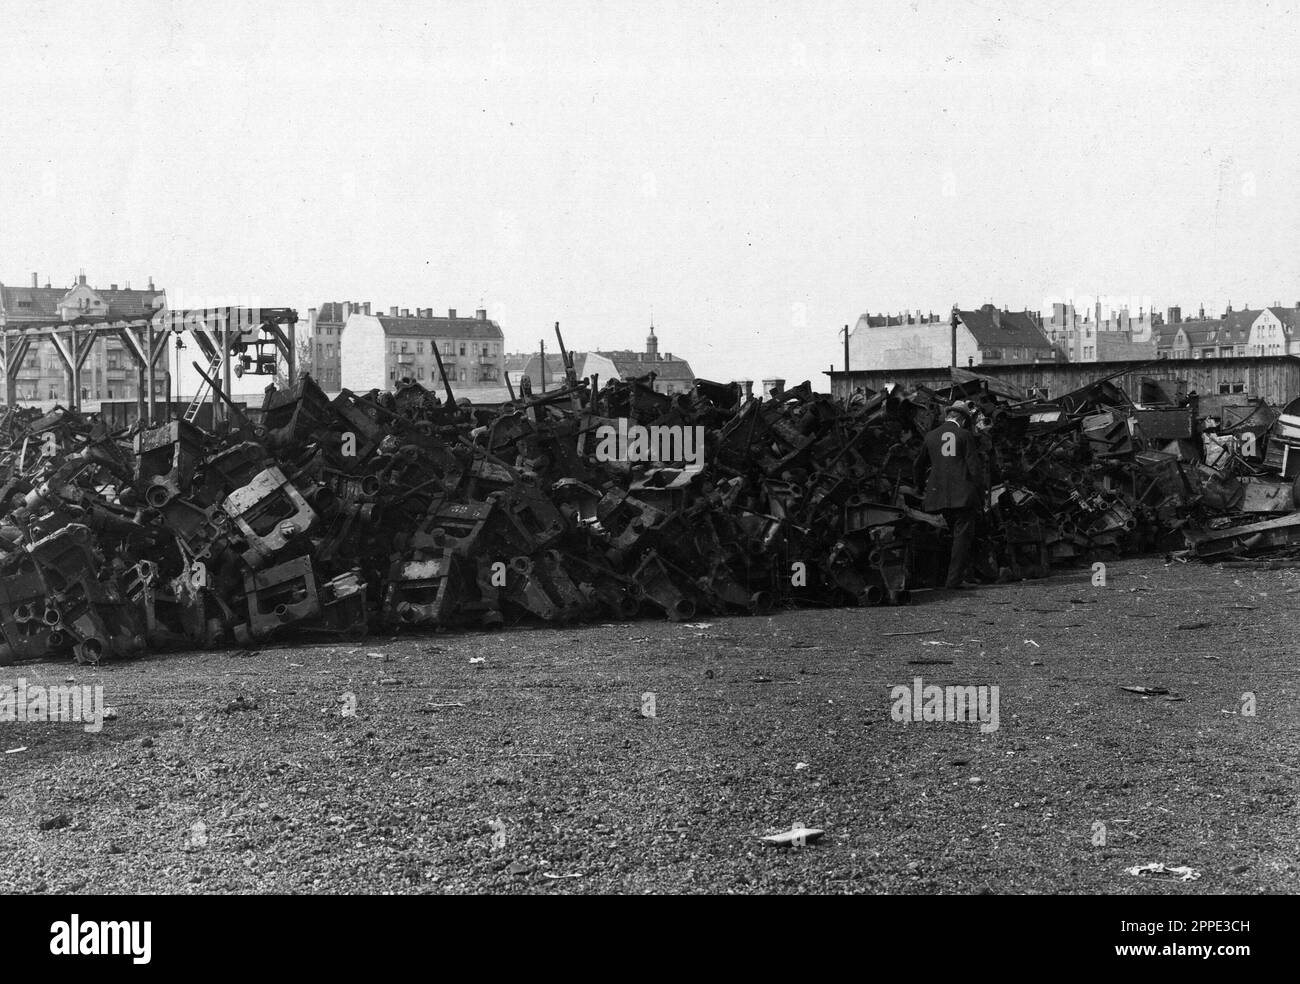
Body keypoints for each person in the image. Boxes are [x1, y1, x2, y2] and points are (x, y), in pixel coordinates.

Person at [914, 401, 988, 589]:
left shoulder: (930, 436)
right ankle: (953, 581)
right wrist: (981, 495)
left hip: (937, 497)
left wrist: (920, 488)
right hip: (963, 496)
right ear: (962, 419)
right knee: (962, 538)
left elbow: (918, 465)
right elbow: (975, 469)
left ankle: (942, 577)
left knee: (947, 536)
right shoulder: (964, 435)